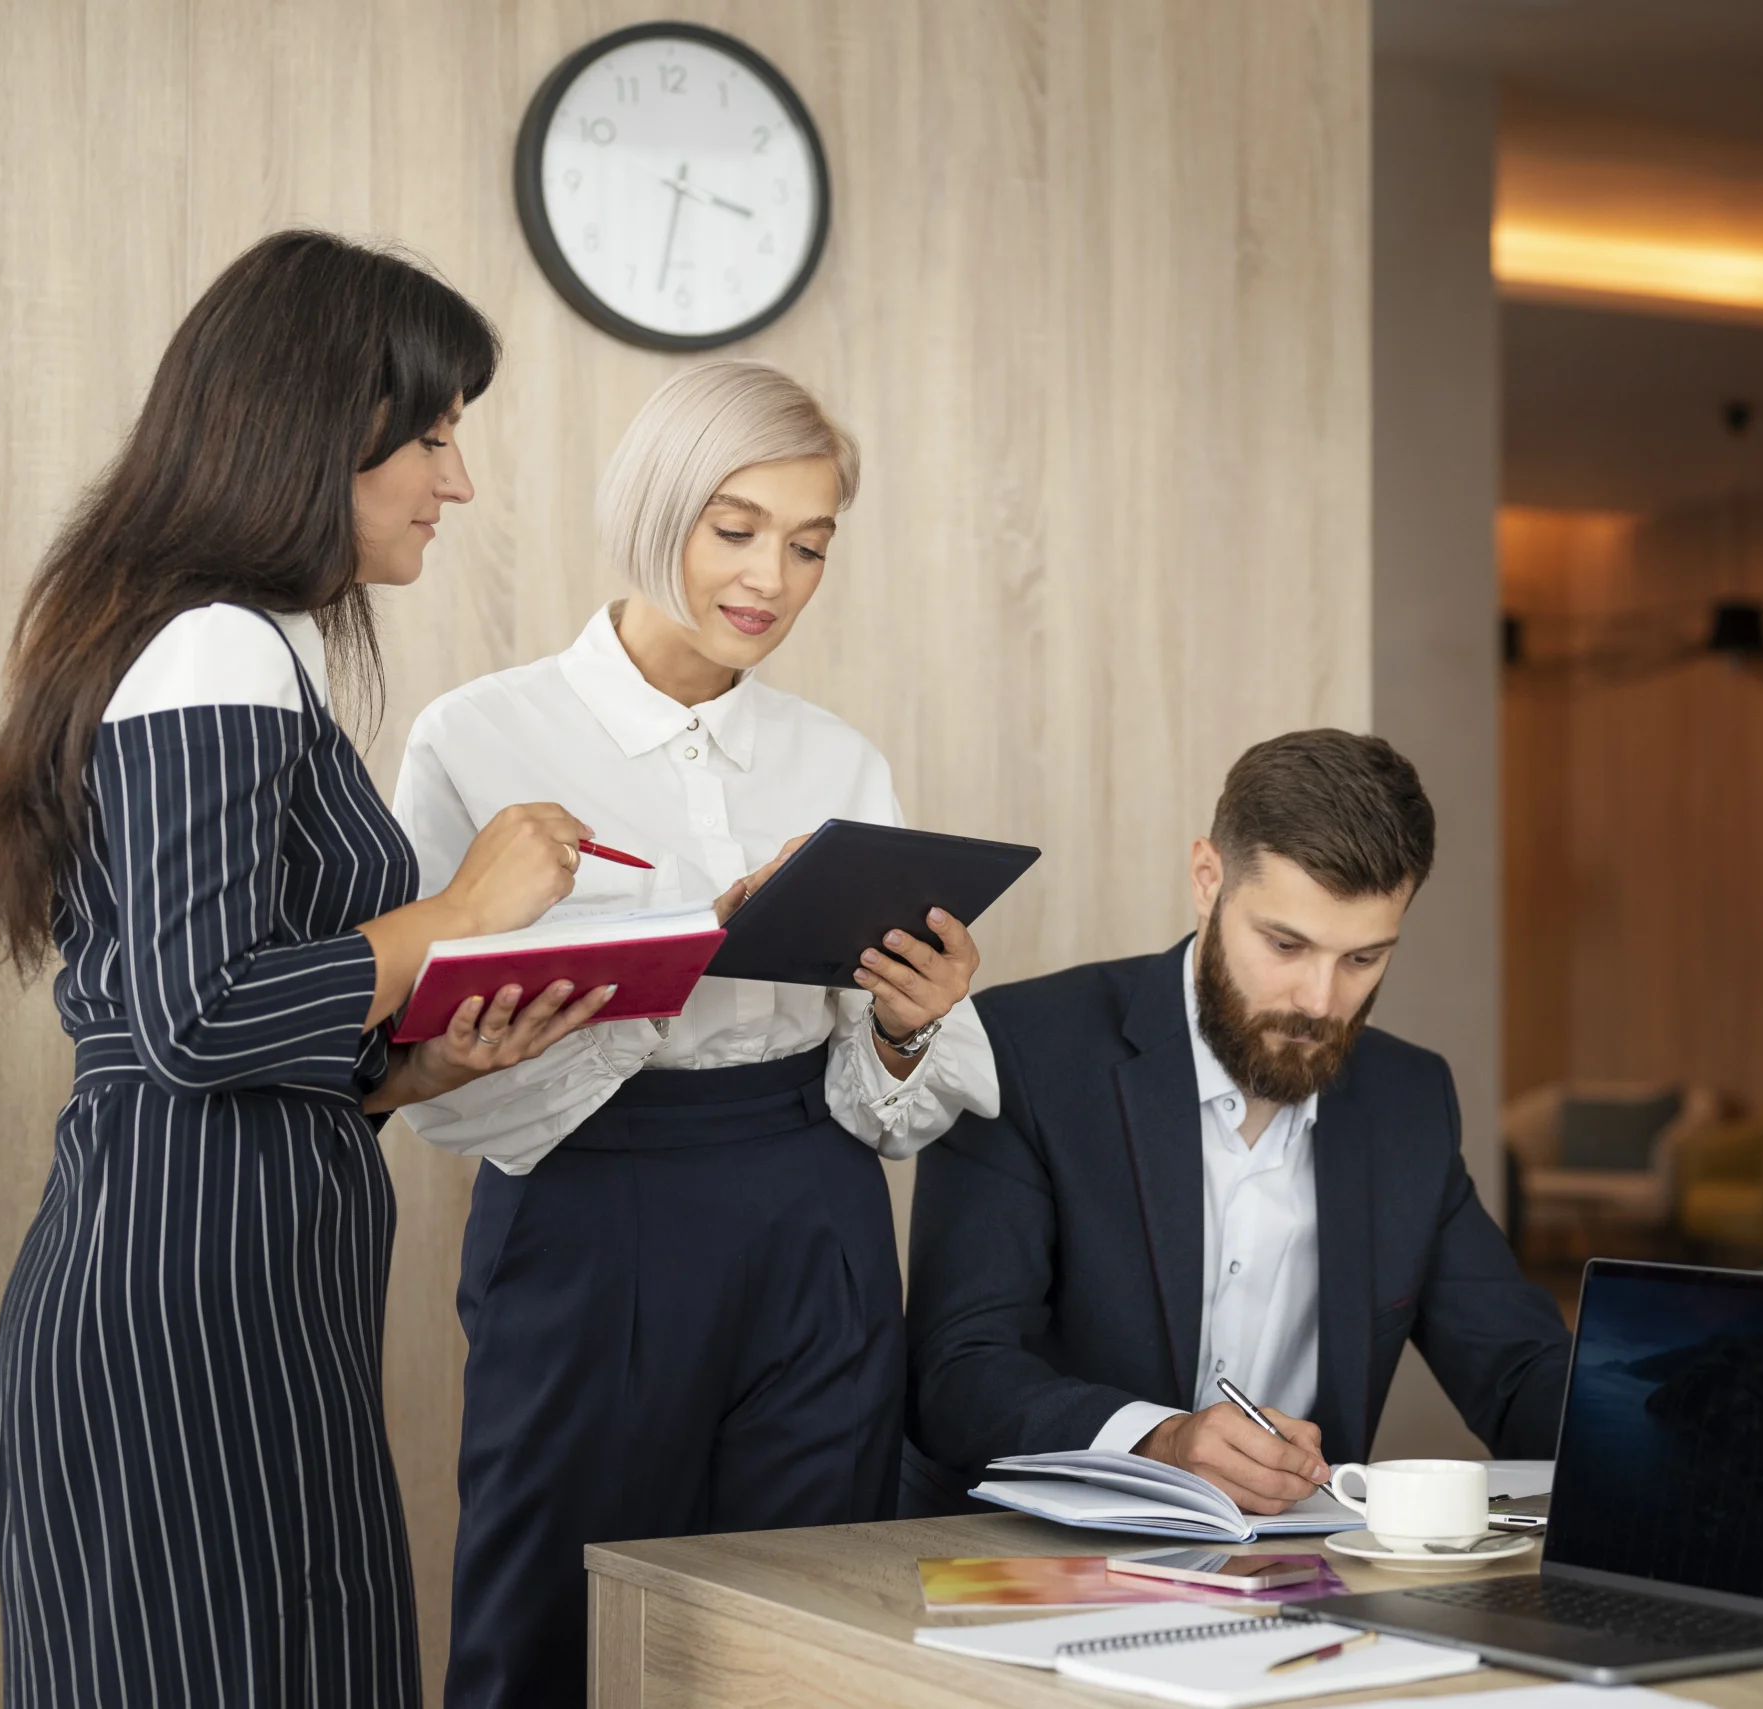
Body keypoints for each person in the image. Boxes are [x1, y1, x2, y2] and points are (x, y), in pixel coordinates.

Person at [0, 230, 622, 1708]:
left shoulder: (230, 644)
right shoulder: (217, 647)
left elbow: (214, 1018)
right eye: (437, 437)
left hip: (234, 1285)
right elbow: (192, 1018)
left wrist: (412, 1070)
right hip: (187, 1306)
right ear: (326, 427)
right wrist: (456, 907)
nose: (459, 482)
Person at [391, 361, 999, 1709]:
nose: (770, 578)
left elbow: (882, 1092)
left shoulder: (839, 759)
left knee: (803, 1637)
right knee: (547, 1629)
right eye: (735, 528)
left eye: (810, 544)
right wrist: (673, 951)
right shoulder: (480, 736)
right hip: (589, 1214)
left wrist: (911, 1022)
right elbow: (430, 1086)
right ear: (654, 508)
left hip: (818, 1215)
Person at [905, 729, 1572, 1514]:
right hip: (1039, 1563)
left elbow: (1518, 1366)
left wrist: (1678, 1425)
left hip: (1310, 1576)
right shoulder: (1023, 1050)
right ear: (1207, 878)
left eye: (1363, 958)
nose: (1320, 1001)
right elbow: (957, 1373)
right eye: (1285, 943)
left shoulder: (1409, 1098)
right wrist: (1161, 1439)